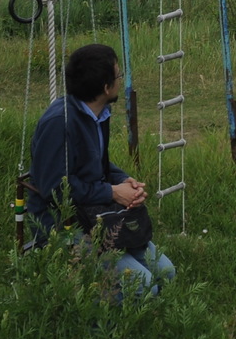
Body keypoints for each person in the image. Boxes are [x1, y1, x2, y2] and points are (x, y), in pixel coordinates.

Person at [27, 43, 174, 297]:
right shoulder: (59, 124)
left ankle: (133, 312)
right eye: (118, 75)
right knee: (142, 287)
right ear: (106, 87)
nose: (121, 80)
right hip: (63, 225)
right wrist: (113, 193)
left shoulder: (99, 113)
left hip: (95, 214)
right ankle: (96, 324)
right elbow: (53, 189)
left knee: (165, 273)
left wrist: (123, 181)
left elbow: (98, 165)